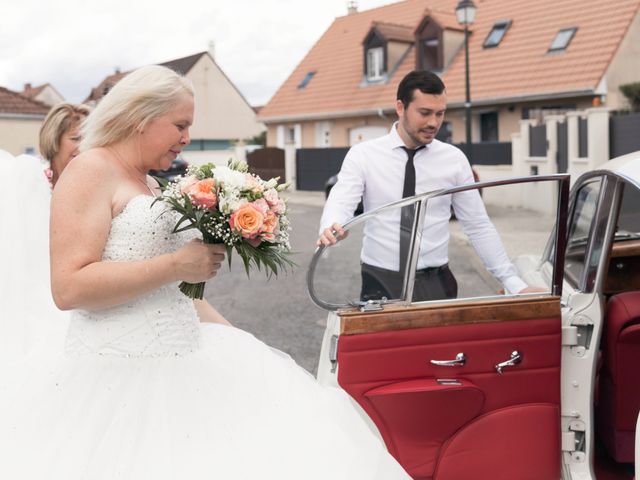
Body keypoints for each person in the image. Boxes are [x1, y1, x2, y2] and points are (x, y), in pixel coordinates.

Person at [0, 65, 409, 479]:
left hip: (186, 359)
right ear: (141, 116)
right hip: (116, 378)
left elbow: (175, 291)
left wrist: (237, 337)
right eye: (180, 124)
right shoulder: (90, 169)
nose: (186, 138)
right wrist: (175, 264)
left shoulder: (151, 185)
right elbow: (69, 287)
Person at [318, 70, 540, 302]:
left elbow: (477, 225)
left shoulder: (454, 159)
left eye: (440, 113)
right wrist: (331, 225)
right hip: (380, 280)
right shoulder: (363, 155)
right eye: (424, 113)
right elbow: (341, 199)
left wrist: (513, 283)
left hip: (437, 282)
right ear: (400, 107)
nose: (433, 122)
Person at [0, 102, 89, 360]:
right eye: (75, 138)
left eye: (90, 138)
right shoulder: (30, 183)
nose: (83, 146)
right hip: (39, 296)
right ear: (54, 140)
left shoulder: (94, 187)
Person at [39, 102, 91, 187]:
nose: (84, 146)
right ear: (54, 138)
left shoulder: (95, 182)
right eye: (76, 138)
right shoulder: (33, 179)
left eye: (88, 139)